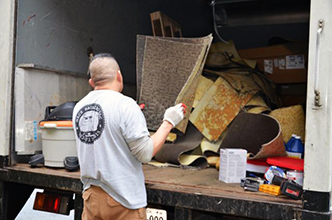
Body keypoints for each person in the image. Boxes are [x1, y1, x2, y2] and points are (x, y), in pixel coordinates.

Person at [72, 53, 186, 220]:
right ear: (119, 75)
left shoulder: (79, 108)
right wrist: (169, 122)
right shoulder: (125, 105)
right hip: (122, 201)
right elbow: (145, 153)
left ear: (91, 82)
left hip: (91, 199)